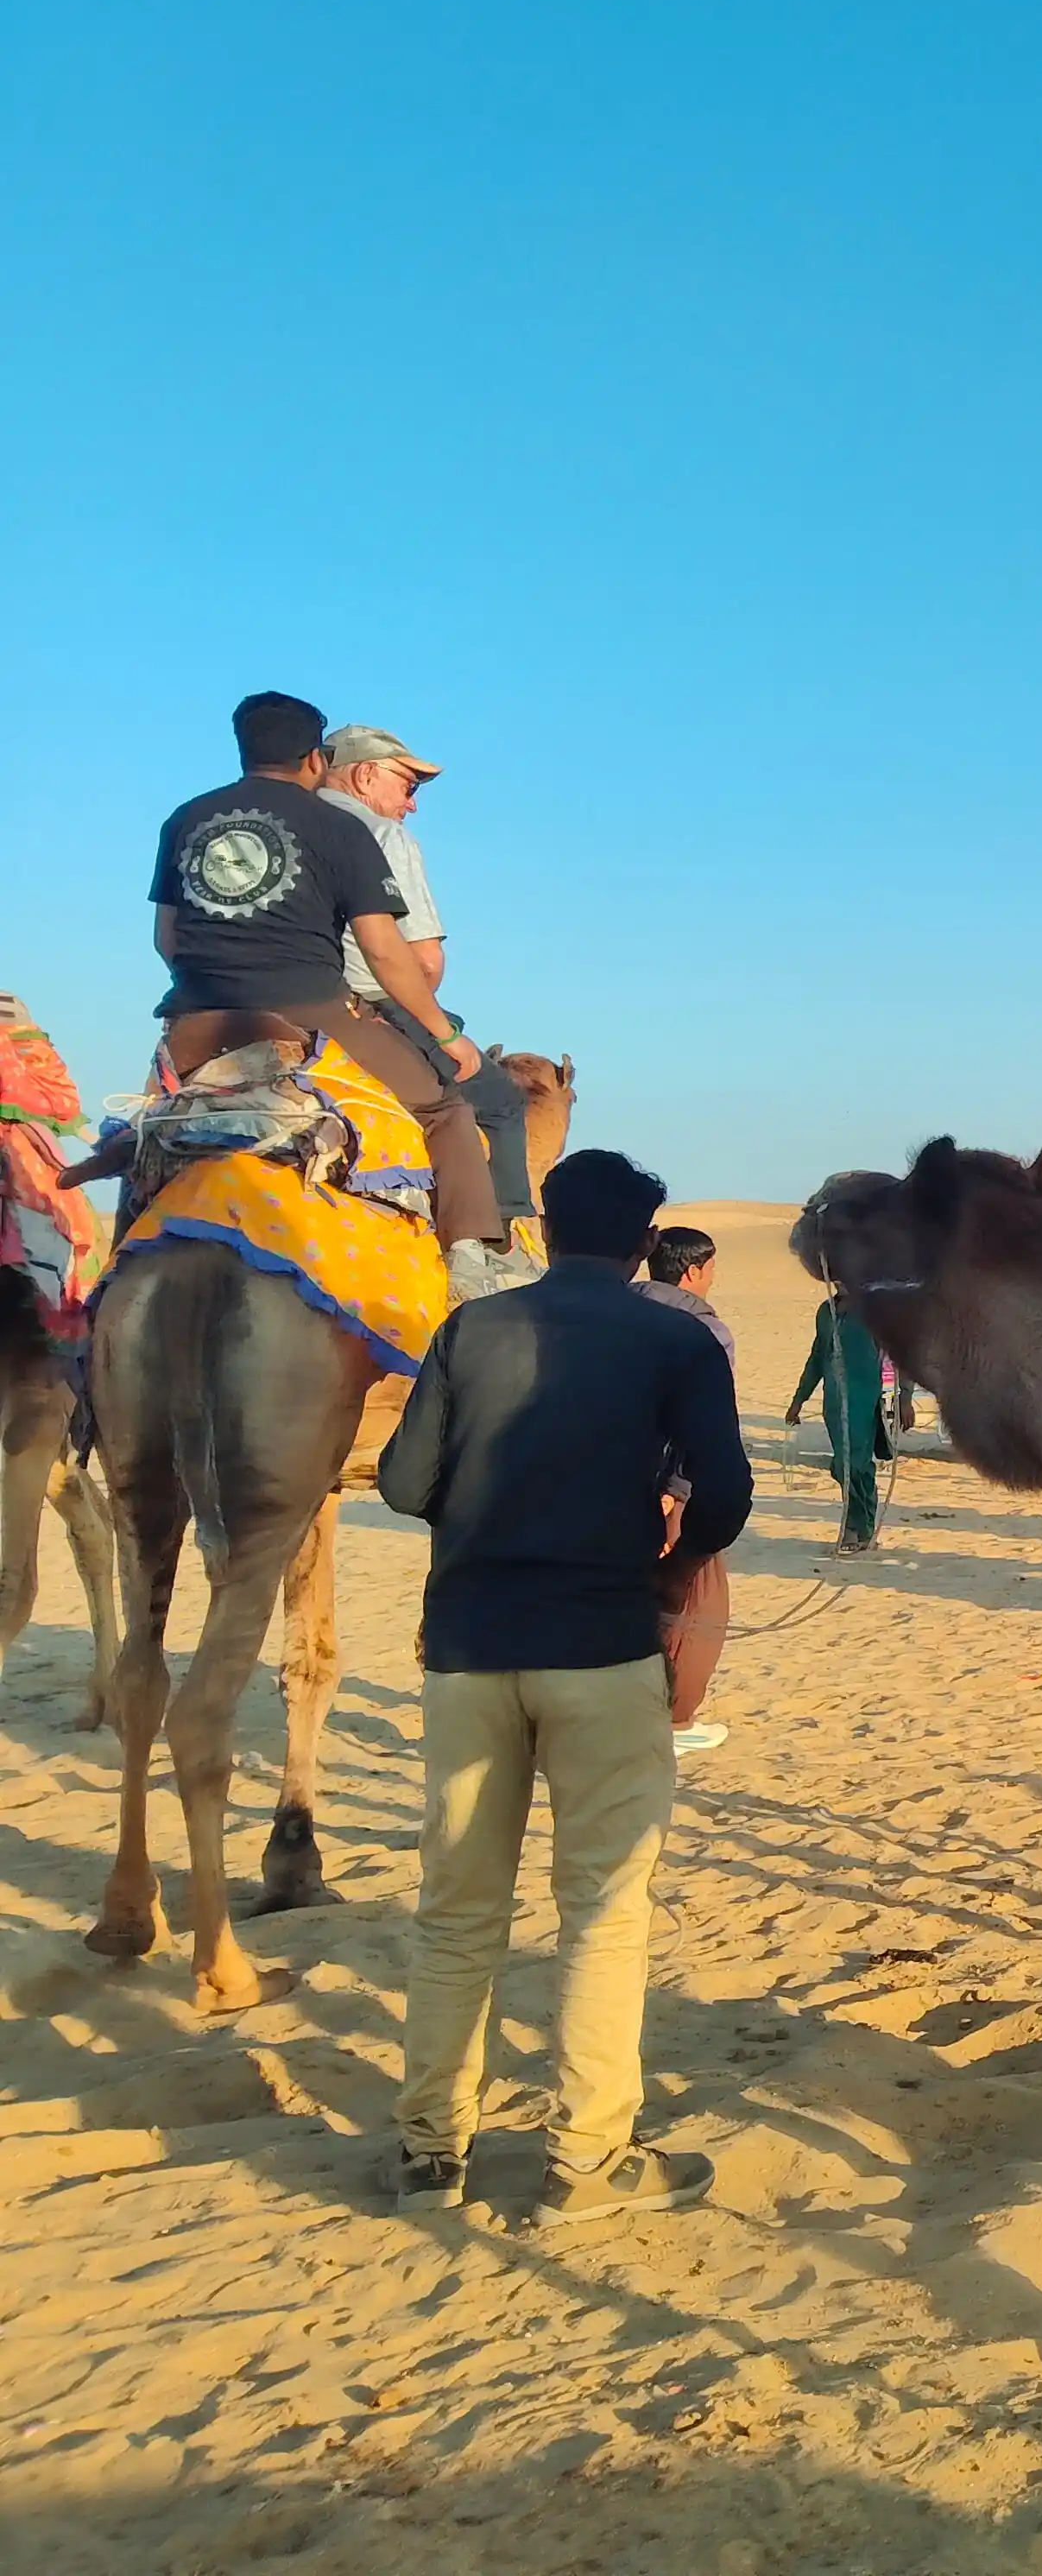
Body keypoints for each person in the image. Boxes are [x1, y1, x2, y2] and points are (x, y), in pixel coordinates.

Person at [378, 1149, 750, 2225]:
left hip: (467, 1646)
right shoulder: (675, 1335)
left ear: (540, 1227)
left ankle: (428, 2150)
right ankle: (586, 2161)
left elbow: (406, 1484)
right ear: (644, 1243)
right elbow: (723, 1492)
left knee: (456, 1907)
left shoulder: (471, 1331)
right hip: (602, 1648)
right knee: (601, 1912)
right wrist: (671, 1559)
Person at [148, 692, 513, 1295]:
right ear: (314, 760)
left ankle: (110, 1279)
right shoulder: (337, 827)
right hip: (312, 1011)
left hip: (193, 1021)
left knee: (145, 1141)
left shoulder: (185, 819)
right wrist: (447, 1034)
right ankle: (469, 1262)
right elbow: (386, 952)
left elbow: (167, 940)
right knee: (445, 1110)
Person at [317, 724, 540, 1245]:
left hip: (255, 1002)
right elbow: (420, 958)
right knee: (496, 1101)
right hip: (371, 1002)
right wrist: (439, 1022)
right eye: (408, 786)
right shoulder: (382, 835)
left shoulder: (278, 825)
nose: (412, 805)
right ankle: (494, 1243)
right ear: (367, 775)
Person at [637, 1226, 736, 1748]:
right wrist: (677, 1492)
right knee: (700, 1602)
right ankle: (674, 1719)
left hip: (594, 1483)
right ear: (695, 1271)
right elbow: (700, 1423)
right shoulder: (703, 1332)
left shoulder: (611, 1313)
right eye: (712, 1266)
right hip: (669, 1487)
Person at [784, 1284, 888, 1553]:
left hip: (864, 1400)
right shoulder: (826, 1312)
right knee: (845, 1466)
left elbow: (902, 1352)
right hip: (833, 1402)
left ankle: (859, 1526)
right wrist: (799, 1400)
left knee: (856, 1465)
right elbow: (818, 1356)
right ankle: (858, 1526)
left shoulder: (874, 1309)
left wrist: (905, 1397)